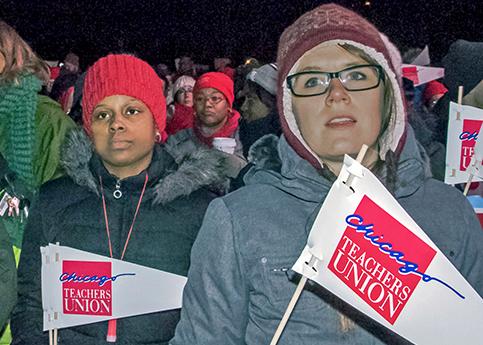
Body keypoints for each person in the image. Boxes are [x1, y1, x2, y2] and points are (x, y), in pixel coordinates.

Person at [170, 4, 483, 345]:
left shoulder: (451, 213)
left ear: (389, 96)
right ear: (291, 109)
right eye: (313, 81)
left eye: (358, 76)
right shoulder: (236, 220)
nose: (336, 94)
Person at [11, 54, 232, 344]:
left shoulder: (202, 209)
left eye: (132, 111)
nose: (116, 123)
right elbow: (30, 301)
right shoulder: (55, 200)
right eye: (102, 114)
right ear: (90, 129)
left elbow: (212, 316)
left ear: (156, 124)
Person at [166, 72, 246, 187]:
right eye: (200, 98)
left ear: (228, 105)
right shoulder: (177, 142)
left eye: (215, 98)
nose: (207, 104)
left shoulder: (247, 137)